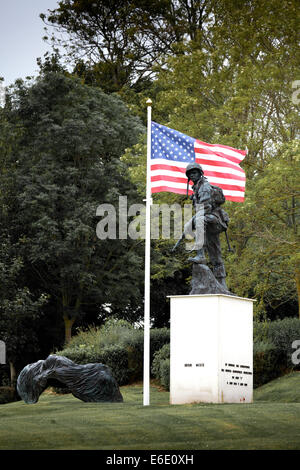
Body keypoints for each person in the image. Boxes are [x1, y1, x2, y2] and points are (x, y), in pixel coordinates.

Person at [185, 162, 229, 290]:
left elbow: (206, 207)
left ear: (200, 173)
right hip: (207, 221)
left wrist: (191, 221)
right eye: (190, 174)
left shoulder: (204, 187)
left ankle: (200, 255)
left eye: (195, 172)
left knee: (198, 220)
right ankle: (222, 283)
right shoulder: (196, 188)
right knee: (215, 253)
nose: (193, 175)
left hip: (215, 219)